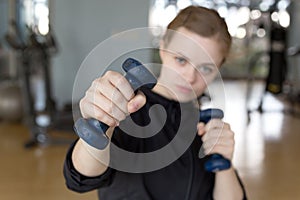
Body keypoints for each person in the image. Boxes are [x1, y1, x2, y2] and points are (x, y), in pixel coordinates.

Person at [63, 5, 247, 200]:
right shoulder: (128, 106)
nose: (190, 77)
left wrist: (224, 163)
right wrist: (101, 122)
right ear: (163, 47)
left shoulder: (206, 130)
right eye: (181, 60)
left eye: (206, 69)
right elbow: (81, 177)